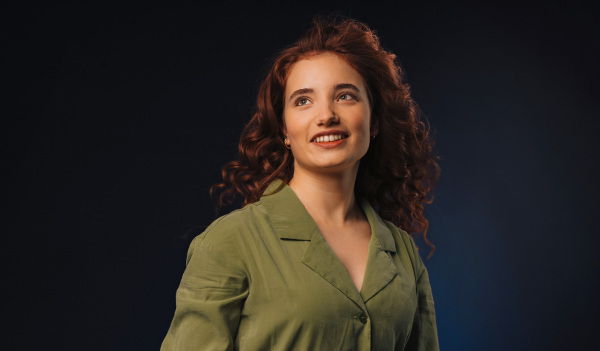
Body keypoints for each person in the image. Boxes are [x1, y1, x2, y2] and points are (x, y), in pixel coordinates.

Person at [161, 16, 440, 351]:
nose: (326, 115)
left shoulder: (404, 255)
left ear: (375, 120)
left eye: (346, 96)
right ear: (284, 130)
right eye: (303, 101)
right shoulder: (230, 242)